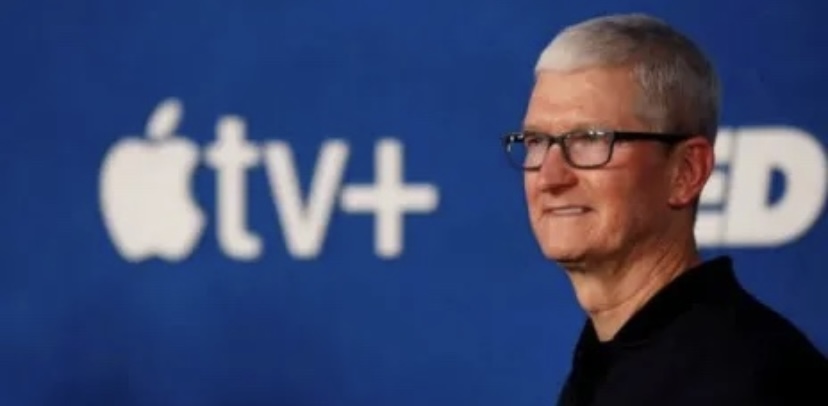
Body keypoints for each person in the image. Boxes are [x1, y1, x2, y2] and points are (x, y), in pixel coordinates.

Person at [501, 13, 828, 406]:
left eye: (590, 139)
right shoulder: (608, 363)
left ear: (686, 172)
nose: (550, 177)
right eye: (536, 141)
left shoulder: (751, 380)